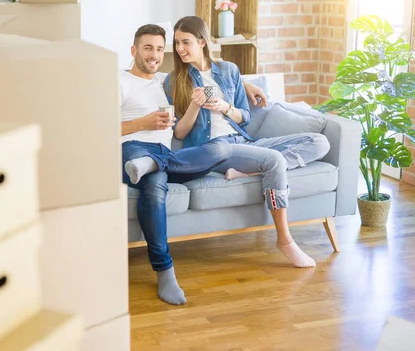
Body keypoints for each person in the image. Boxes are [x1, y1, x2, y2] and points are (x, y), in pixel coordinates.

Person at [164, 16, 331, 268]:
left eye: (185, 42)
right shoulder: (174, 80)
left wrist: (226, 107)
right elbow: (179, 134)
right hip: (213, 150)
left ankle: (249, 169)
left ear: (202, 42)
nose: (179, 49)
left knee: (319, 142)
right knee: (273, 160)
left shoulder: (229, 71)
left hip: (242, 142)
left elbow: (245, 117)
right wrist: (195, 107)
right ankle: (285, 239)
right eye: (176, 43)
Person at [121, 24, 267, 304]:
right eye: (147, 48)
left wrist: (244, 83)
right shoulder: (118, 81)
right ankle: (165, 272)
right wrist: (143, 123)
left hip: (162, 153)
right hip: (132, 149)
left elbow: (210, 75)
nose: (153, 55)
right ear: (133, 51)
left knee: (219, 149)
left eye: (158, 49)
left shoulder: (166, 80)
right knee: (153, 188)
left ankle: (154, 163)